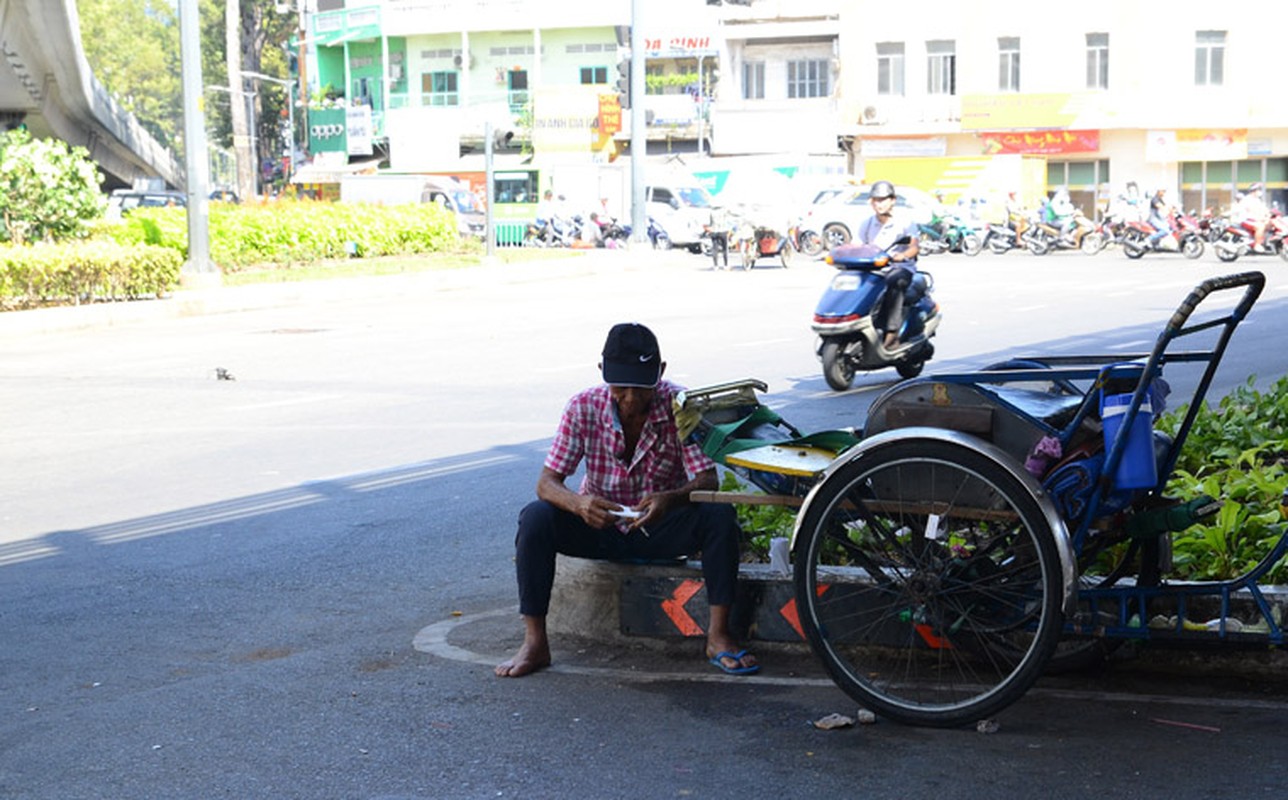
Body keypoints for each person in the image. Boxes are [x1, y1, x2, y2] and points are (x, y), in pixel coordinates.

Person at [495, 323, 757, 679]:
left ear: (661, 373)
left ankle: (718, 635)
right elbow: (547, 483)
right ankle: (535, 641)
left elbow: (706, 479)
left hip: (659, 525)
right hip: (598, 525)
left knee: (718, 515)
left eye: (642, 387)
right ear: (603, 373)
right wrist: (579, 505)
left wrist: (669, 498)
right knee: (536, 518)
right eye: (621, 387)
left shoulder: (682, 407)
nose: (631, 398)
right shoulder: (582, 407)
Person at [854, 180, 920, 349]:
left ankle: (892, 333)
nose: (879, 204)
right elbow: (857, 246)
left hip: (900, 268)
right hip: (874, 269)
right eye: (876, 200)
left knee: (895, 281)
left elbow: (914, 247)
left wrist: (902, 255)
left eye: (883, 199)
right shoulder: (867, 224)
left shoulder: (904, 221)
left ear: (893, 200)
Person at [1235, 183, 1271, 252]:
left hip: (1255, 220)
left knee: (1269, 224)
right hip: (1246, 220)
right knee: (1260, 226)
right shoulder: (1247, 199)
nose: (1260, 192)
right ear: (1254, 191)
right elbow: (1251, 212)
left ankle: (1264, 242)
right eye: (1258, 190)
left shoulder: (1257, 200)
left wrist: (1268, 214)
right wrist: (1261, 217)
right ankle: (1257, 245)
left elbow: (1264, 209)